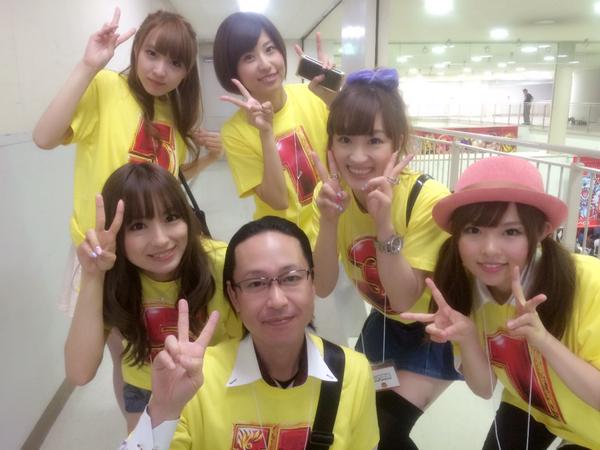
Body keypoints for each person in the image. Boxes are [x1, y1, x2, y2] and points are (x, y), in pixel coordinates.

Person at [33, 7, 221, 419]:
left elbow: (165, 185)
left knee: (138, 347)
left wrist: (207, 160)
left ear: (187, 72)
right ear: (136, 51)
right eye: (152, 54)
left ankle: (156, 420)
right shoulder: (105, 87)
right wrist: (88, 65)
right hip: (99, 254)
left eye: (175, 63)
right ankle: (136, 430)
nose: (160, 70)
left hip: (151, 254)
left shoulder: (171, 116)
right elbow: (44, 137)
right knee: (116, 350)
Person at [120, 216, 379, 449]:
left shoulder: (353, 372)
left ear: (312, 283)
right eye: (256, 283)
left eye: (291, 278)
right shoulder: (196, 378)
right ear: (234, 296)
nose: (277, 300)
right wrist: (163, 409)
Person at [402, 156, 600, 449]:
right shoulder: (463, 287)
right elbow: (485, 389)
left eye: (511, 232)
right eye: (473, 230)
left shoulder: (589, 283)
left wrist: (544, 341)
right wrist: (468, 338)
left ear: (541, 232)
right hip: (533, 405)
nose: (490, 250)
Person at [312, 68, 460, 450]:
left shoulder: (427, 199)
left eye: (374, 141)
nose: (357, 156)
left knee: (385, 429)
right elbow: (322, 286)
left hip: (435, 330)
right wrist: (329, 221)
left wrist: (383, 223)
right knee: (354, 417)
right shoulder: (330, 195)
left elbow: (405, 298)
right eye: (345, 139)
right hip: (384, 324)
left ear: (397, 143)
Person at [64, 163, 242, 432]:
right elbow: (79, 372)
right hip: (146, 391)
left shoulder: (221, 263)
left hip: (214, 382)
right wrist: (93, 276)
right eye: (138, 225)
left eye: (171, 218)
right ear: (117, 233)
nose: (160, 239)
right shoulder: (110, 277)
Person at [213, 12, 334, 244]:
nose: (265, 64)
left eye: (269, 49)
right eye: (249, 57)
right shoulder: (235, 131)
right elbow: (278, 200)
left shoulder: (312, 95)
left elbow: (354, 147)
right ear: (233, 72)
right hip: (285, 242)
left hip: (333, 230)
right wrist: (266, 132)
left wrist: (333, 95)